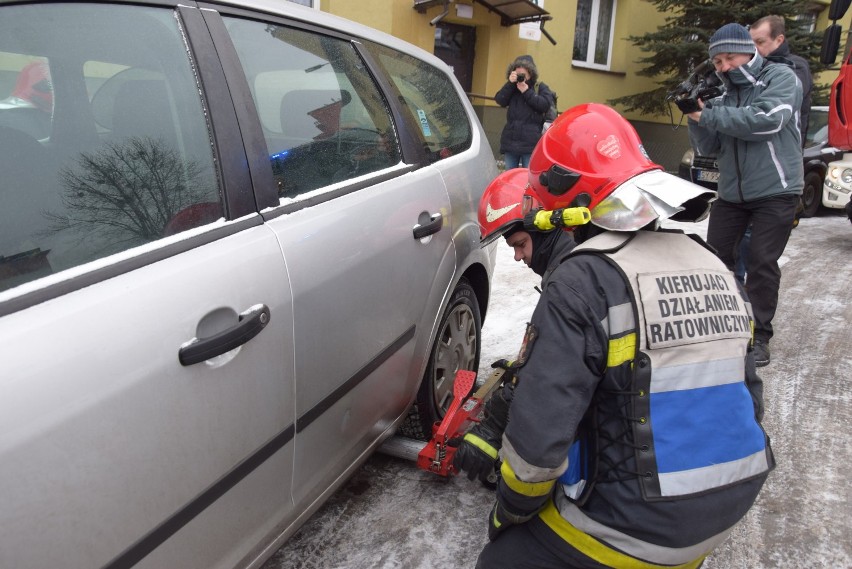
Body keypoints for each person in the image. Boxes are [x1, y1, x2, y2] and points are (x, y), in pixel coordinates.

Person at [473, 102, 774, 569]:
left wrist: (509, 513)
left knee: (501, 560)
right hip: (732, 500)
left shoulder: (585, 280)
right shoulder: (714, 263)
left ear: (564, 205)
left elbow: (537, 447)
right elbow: (750, 399)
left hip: (645, 529)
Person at [687, 22, 803, 367]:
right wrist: (696, 117)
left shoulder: (781, 78)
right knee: (717, 262)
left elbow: (765, 121)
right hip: (732, 194)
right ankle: (728, 326)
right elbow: (708, 146)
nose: (723, 67)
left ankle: (759, 336)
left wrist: (711, 114)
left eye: (729, 58)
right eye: (718, 62)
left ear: (749, 50)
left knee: (761, 264)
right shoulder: (723, 97)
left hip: (777, 190)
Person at [452, 167, 576, 485]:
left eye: (520, 244)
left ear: (545, 226)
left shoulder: (571, 280)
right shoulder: (572, 262)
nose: (519, 257)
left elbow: (560, 379)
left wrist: (495, 423)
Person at [735, 15, 813, 283]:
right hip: (748, 174)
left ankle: (752, 312)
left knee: (757, 253)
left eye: (760, 42)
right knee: (736, 245)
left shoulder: (791, 70)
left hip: (775, 176)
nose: (753, 50)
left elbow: (768, 117)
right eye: (750, 43)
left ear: (779, 40)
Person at [494, 55, 555, 170]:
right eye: (518, 74)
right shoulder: (512, 88)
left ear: (530, 74)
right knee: (510, 177)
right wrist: (510, 83)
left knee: (527, 178)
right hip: (511, 142)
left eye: (523, 75)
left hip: (530, 144)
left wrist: (526, 91)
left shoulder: (539, 87)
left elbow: (544, 105)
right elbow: (500, 100)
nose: (520, 77)